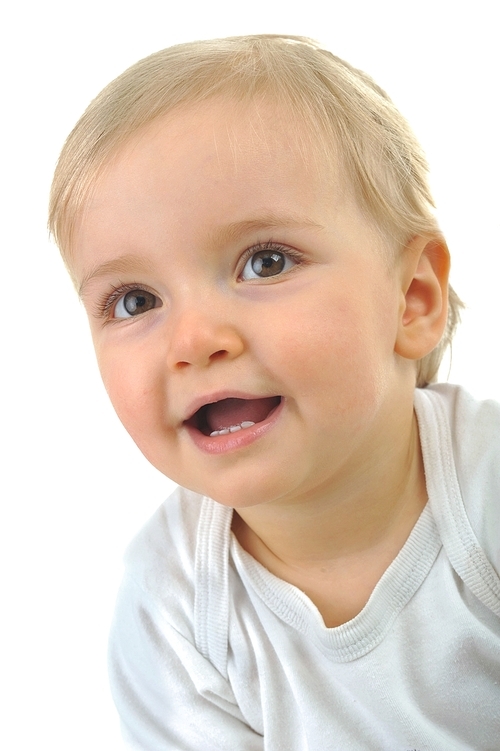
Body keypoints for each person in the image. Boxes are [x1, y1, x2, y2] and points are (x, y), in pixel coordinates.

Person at [49, 35, 500, 750]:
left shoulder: (485, 491)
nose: (194, 339)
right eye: (135, 301)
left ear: (411, 299)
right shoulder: (169, 609)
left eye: (264, 261)